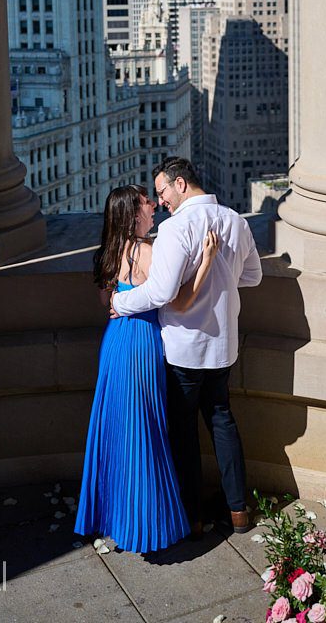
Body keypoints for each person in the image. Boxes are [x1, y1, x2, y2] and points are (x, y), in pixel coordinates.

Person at [110, 157, 263, 536]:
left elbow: (161, 292)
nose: (160, 201)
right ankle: (238, 509)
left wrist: (120, 303)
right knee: (222, 422)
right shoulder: (235, 221)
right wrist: (221, 280)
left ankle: (191, 516)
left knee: (182, 432)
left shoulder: (176, 229)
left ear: (180, 184)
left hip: (183, 348)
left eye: (161, 191)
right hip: (224, 345)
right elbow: (254, 276)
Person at [75, 183, 220, 553]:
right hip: (142, 345)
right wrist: (205, 263)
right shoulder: (148, 251)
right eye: (145, 203)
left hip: (114, 344)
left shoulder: (108, 253)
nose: (153, 206)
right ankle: (144, 524)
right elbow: (179, 300)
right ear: (132, 213)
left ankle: (113, 517)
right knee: (146, 432)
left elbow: (106, 303)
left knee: (117, 430)